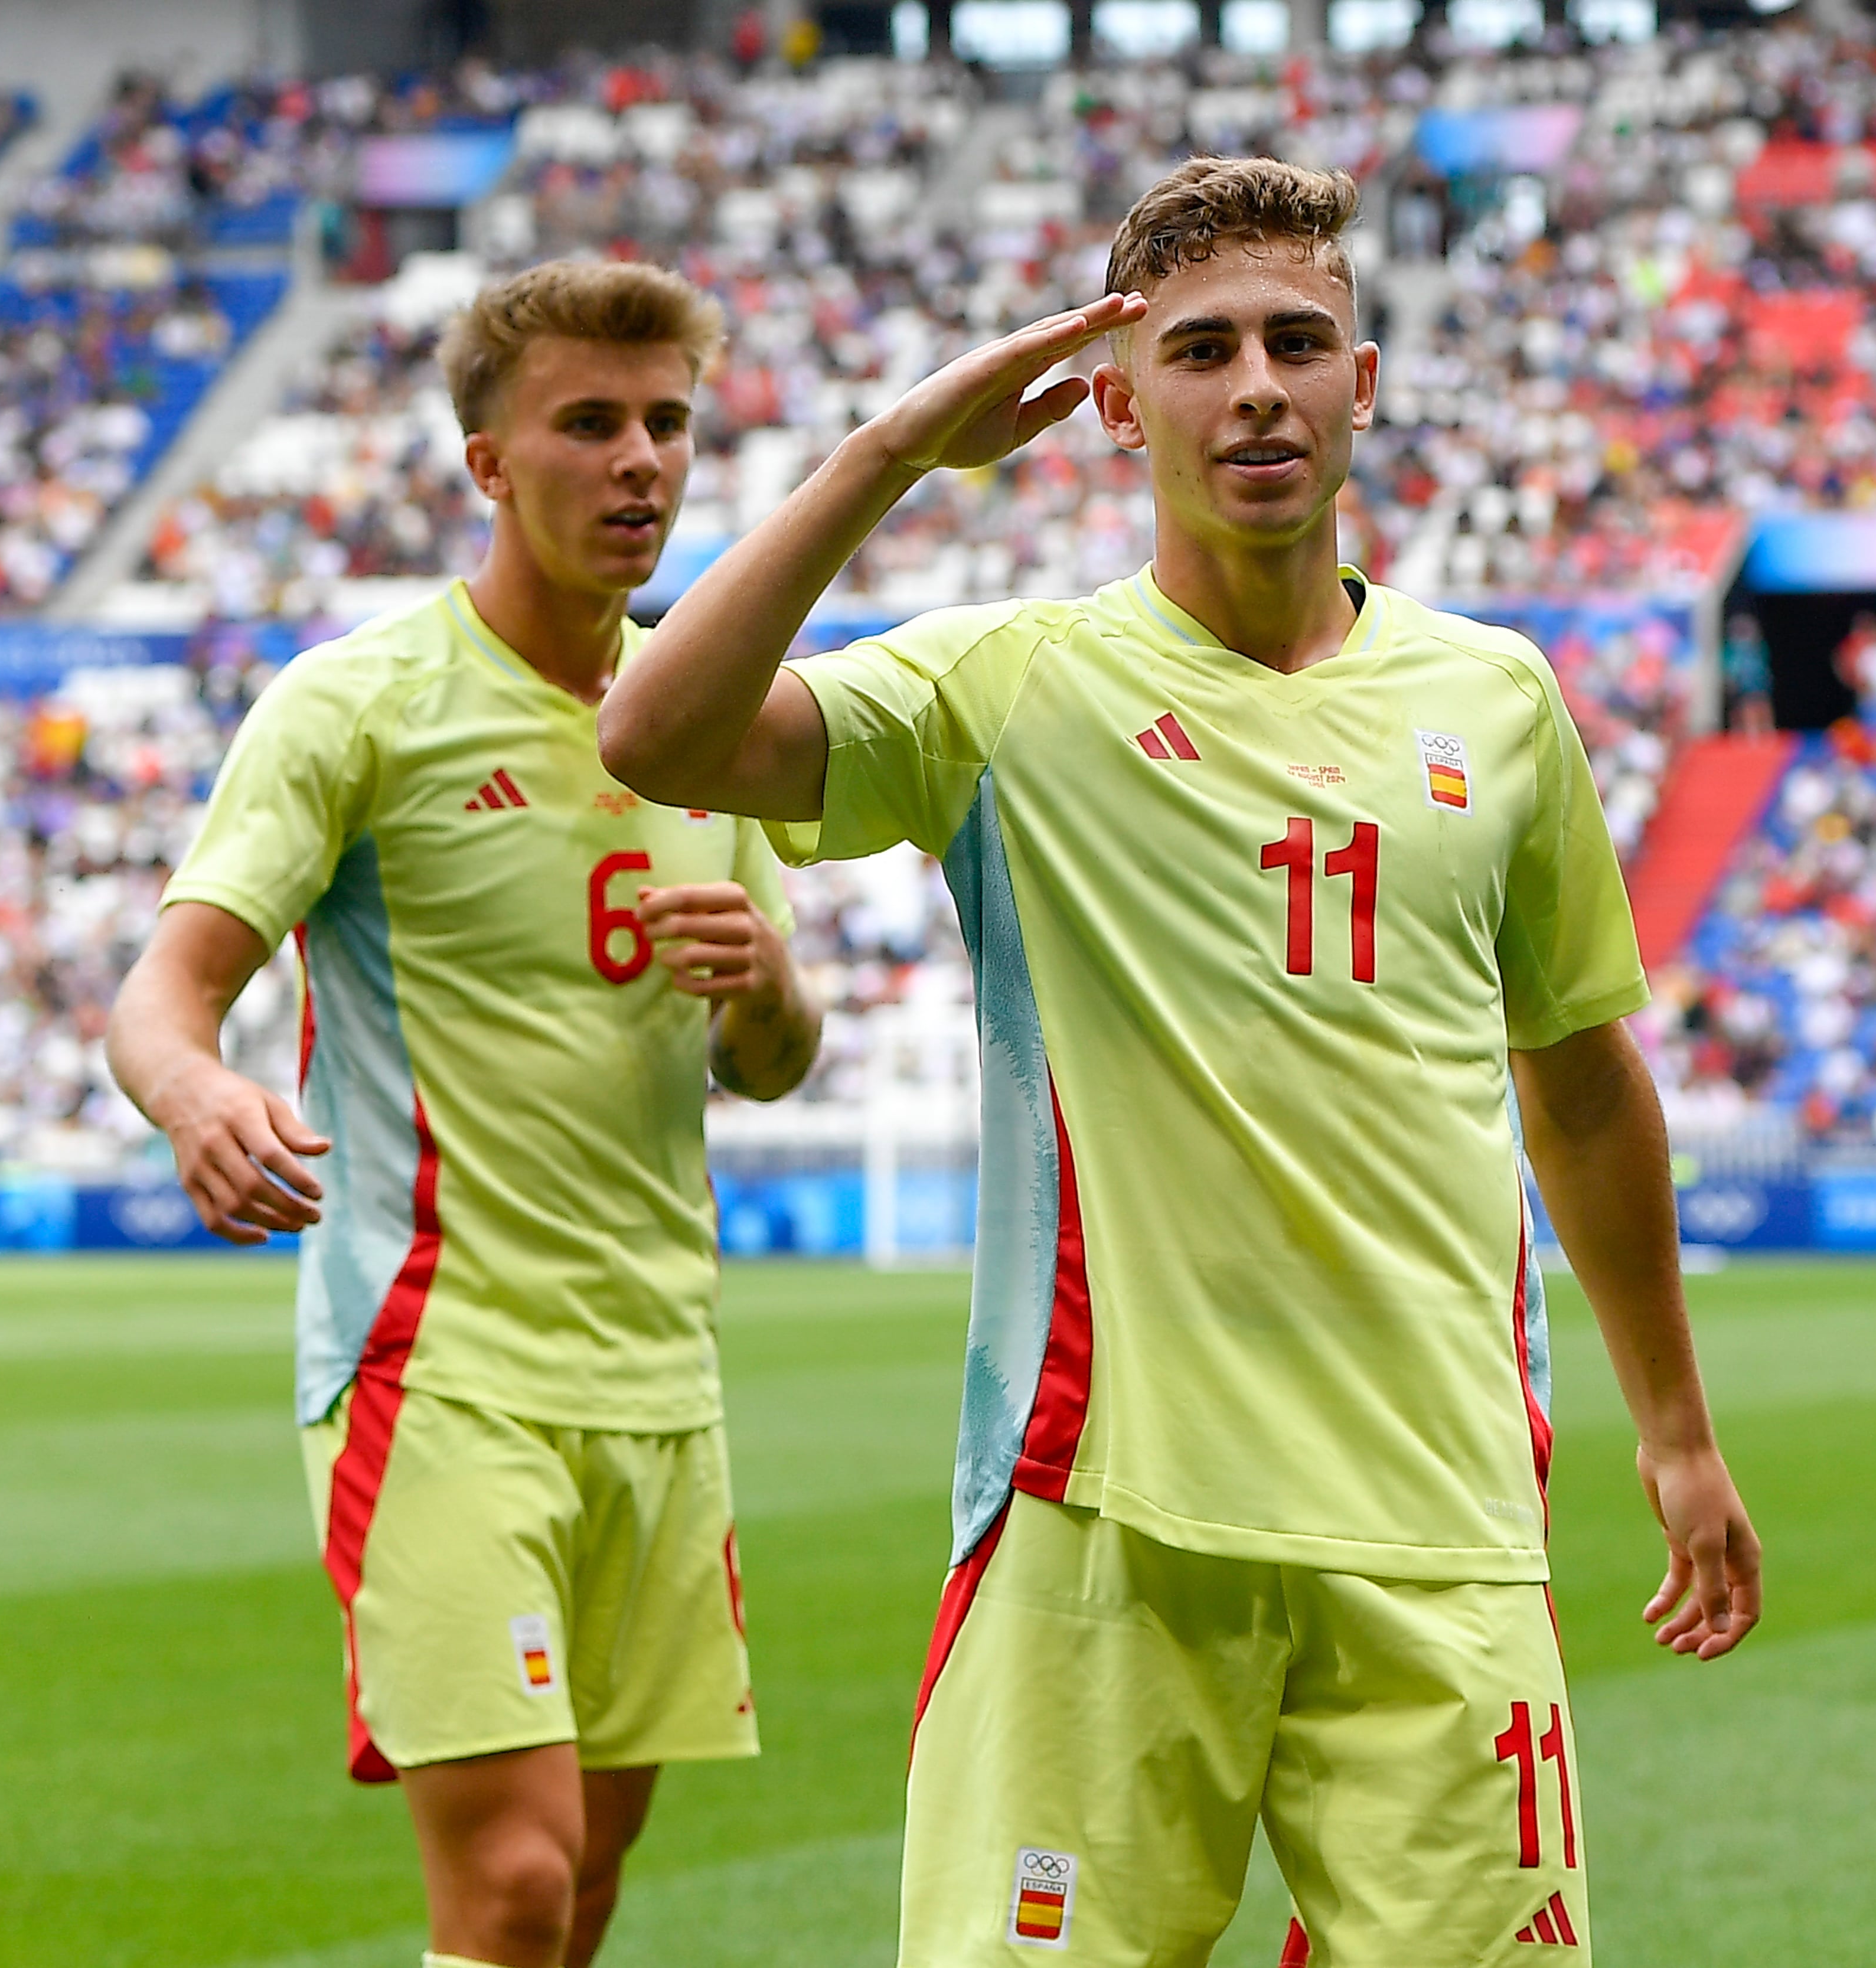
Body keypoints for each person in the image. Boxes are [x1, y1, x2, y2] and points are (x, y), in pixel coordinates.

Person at [600, 158, 1759, 1964]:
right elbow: (659, 731)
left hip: (1439, 1527)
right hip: (1102, 1526)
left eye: (1302, 342)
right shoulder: (1009, 686)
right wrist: (892, 451)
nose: (1259, 389)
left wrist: (1678, 1435)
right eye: (1201, 349)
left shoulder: (1498, 700)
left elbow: (1587, 1079)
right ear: (1116, 399)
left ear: (1363, 381)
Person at [108, 260, 822, 1968]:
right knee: (506, 1883)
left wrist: (766, 990)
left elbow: (776, 1065)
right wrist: (199, 1091)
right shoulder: (360, 705)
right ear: (491, 464)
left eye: (665, 422)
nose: (640, 460)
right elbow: (165, 990)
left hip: (658, 1371)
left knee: (580, 1888)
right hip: (437, 1363)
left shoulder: (709, 717)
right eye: (591, 424)